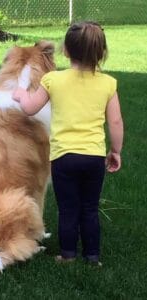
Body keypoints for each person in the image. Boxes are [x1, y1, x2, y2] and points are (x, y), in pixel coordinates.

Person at [12, 21, 124, 266]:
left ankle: (68, 255)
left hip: (63, 157)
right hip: (94, 157)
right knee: (90, 208)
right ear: (100, 52)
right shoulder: (108, 84)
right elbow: (115, 122)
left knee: (68, 209)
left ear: (66, 51)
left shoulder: (53, 80)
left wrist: (20, 94)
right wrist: (115, 151)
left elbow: (30, 108)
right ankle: (93, 257)